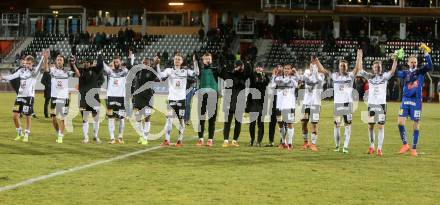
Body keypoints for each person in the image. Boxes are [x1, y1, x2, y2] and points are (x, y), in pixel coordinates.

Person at [358, 50, 397, 156]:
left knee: (381, 126)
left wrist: (395, 60)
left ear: (381, 67)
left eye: (379, 66)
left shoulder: (384, 76)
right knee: (370, 126)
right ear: (373, 68)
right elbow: (360, 70)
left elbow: (392, 71)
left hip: (381, 105)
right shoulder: (369, 76)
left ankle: (379, 148)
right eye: (375, 67)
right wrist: (360, 57)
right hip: (371, 105)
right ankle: (371, 147)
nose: (377, 68)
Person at [396, 43, 432, 157]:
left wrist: (426, 53)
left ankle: (414, 148)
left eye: (415, 62)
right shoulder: (405, 73)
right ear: (408, 63)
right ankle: (405, 144)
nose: (413, 63)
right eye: (411, 62)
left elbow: (430, 66)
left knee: (416, 124)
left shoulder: (420, 71)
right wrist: (396, 59)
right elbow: (395, 72)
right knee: (400, 123)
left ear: (417, 63)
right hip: (405, 100)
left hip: (416, 101)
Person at [0, 53, 44, 142]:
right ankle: (19, 132)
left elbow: (40, 66)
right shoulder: (21, 71)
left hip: (29, 97)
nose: (27, 65)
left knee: (28, 115)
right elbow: (12, 76)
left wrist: (43, 57)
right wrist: (2, 77)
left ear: (32, 63)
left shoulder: (34, 72)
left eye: (29, 63)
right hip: (20, 96)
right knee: (14, 115)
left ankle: (27, 133)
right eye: (26, 63)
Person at [157, 53, 199, 147]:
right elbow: (160, 75)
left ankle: (179, 140)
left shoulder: (185, 71)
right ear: (173, 60)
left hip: (181, 99)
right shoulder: (169, 70)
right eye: (176, 59)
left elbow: (196, 73)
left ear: (182, 61)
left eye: (179, 59)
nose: (177, 60)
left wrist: (195, 62)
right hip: (171, 99)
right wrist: (157, 65)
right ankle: (166, 140)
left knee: (181, 121)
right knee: (169, 120)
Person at [44, 53, 81, 144]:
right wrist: (45, 59)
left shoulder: (66, 71)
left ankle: (60, 135)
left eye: (61, 60)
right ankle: (58, 132)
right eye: (58, 59)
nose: (59, 61)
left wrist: (73, 65)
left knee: (62, 118)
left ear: (63, 62)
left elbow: (78, 75)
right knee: (53, 118)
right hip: (54, 97)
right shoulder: (52, 70)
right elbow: (46, 70)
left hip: (64, 98)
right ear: (56, 61)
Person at [329, 52, 361, 153]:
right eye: (341, 65)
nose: (342, 67)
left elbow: (357, 69)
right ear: (339, 67)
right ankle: (338, 146)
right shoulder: (335, 76)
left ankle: (345, 146)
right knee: (336, 125)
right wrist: (316, 62)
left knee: (347, 125)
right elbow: (324, 71)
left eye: (344, 65)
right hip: (337, 104)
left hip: (347, 104)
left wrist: (359, 57)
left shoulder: (350, 76)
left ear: (347, 67)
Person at [299, 56, 328, 152]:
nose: (313, 66)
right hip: (306, 103)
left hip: (316, 104)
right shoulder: (307, 73)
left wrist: (317, 64)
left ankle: (313, 144)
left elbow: (322, 73)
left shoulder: (321, 76)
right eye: (312, 64)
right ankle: (306, 142)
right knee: (303, 123)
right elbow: (304, 78)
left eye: (315, 64)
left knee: (314, 124)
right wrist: (311, 70)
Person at [196, 53, 224, 147]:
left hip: (213, 96)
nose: (207, 60)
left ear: (211, 60)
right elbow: (196, 68)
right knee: (201, 119)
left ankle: (210, 139)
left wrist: (221, 64)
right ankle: (200, 139)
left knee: (212, 119)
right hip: (202, 96)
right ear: (203, 60)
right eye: (206, 59)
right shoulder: (200, 70)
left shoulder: (215, 70)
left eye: (209, 59)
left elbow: (223, 74)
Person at [222, 60, 251, 147]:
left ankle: (234, 140)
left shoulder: (243, 76)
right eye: (239, 66)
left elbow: (249, 72)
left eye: (242, 66)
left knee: (238, 122)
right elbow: (223, 73)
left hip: (240, 102)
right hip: (229, 101)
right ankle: (226, 140)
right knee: (227, 122)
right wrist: (225, 66)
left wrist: (248, 63)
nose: (241, 68)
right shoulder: (230, 75)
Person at [132, 56, 160, 145]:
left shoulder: (150, 72)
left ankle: (145, 138)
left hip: (148, 98)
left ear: (149, 64)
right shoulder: (137, 72)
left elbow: (155, 75)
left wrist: (155, 64)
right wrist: (131, 57)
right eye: (143, 62)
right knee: (138, 119)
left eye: (146, 63)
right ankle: (141, 136)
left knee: (147, 119)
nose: (144, 64)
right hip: (138, 98)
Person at [103, 55, 129, 144]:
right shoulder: (110, 72)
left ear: (120, 62)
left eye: (117, 62)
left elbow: (130, 66)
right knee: (111, 118)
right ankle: (112, 138)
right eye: (114, 62)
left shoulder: (124, 71)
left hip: (121, 98)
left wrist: (130, 57)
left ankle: (120, 137)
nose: (116, 63)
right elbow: (103, 66)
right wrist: (101, 58)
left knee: (121, 118)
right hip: (110, 97)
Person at [78, 55, 104, 144]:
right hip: (84, 98)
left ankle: (95, 136)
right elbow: (73, 67)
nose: (86, 64)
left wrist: (100, 56)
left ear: (91, 64)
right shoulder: (80, 71)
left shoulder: (96, 71)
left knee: (96, 118)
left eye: (87, 62)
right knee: (85, 118)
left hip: (94, 98)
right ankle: (86, 137)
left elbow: (101, 66)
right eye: (84, 62)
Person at [273, 64, 299, 150]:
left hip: (289, 105)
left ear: (291, 70)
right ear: (283, 70)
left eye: (288, 69)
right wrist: (276, 74)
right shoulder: (279, 78)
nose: (286, 70)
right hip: (279, 105)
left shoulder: (293, 79)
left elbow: (296, 85)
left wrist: (295, 74)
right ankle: (283, 142)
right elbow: (274, 83)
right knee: (280, 124)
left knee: (290, 123)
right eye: (285, 69)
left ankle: (290, 143)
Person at [247, 62, 270, 147]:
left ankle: (259, 141)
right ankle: (252, 140)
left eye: (260, 67)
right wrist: (249, 64)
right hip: (253, 102)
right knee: (252, 123)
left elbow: (266, 83)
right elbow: (253, 81)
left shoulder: (265, 76)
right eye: (257, 67)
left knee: (261, 123)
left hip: (262, 102)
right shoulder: (253, 75)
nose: (259, 68)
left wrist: (262, 75)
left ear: (263, 68)